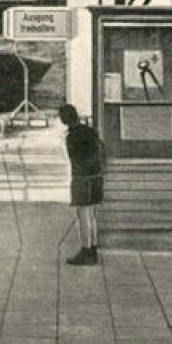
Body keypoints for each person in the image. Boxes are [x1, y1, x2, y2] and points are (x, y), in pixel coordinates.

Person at [59, 104, 106, 266]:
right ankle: (93, 248)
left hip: (82, 178)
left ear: (63, 119)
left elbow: (75, 159)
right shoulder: (89, 131)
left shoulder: (71, 136)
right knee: (91, 214)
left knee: (83, 215)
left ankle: (86, 252)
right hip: (96, 177)